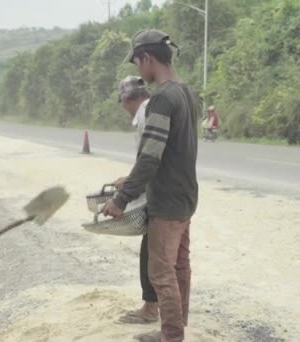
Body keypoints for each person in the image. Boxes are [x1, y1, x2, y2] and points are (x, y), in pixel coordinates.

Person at [102, 29, 200, 342]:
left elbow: (150, 158)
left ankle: (171, 335)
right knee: (180, 265)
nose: (138, 71)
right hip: (186, 195)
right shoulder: (186, 92)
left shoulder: (161, 98)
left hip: (168, 200)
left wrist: (121, 198)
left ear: (147, 58)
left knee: (160, 271)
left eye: (137, 63)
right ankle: (177, 325)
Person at [114, 76, 159, 325]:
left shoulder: (144, 116)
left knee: (153, 252)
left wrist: (123, 197)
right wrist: (130, 178)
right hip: (177, 193)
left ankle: (151, 308)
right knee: (168, 254)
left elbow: (149, 161)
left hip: (161, 195)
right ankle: (166, 308)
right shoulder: (154, 110)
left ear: (127, 99)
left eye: (122, 101)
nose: (123, 106)